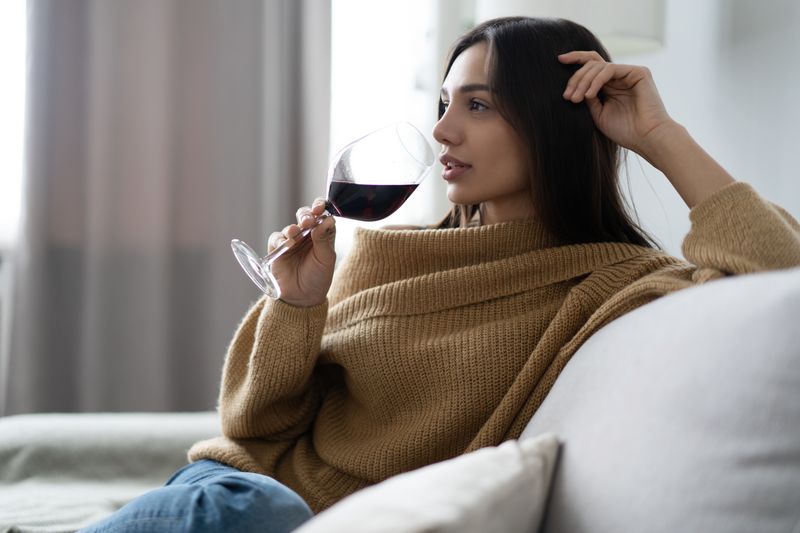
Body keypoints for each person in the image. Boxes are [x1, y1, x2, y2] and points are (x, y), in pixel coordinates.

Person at [79, 16, 800, 533]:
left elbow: (781, 279)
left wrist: (660, 138)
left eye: (477, 105)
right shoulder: (387, 252)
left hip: (320, 520)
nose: (443, 130)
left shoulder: (613, 285)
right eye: (445, 103)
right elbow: (250, 424)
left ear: (551, 124)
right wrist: (294, 305)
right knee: (254, 505)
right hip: (237, 495)